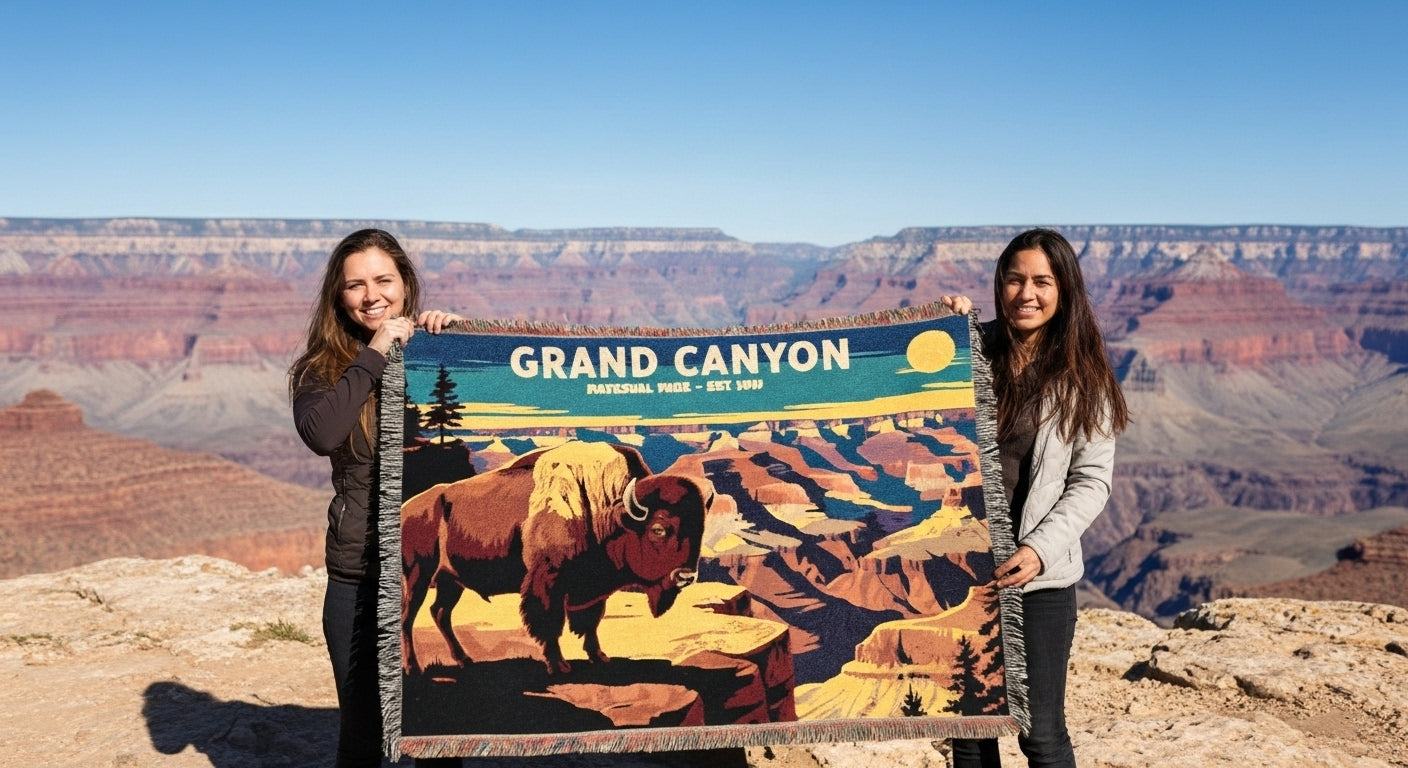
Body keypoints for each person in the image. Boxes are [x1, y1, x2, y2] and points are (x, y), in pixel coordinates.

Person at [941, 228, 1129, 768]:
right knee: (971, 734)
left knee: (1041, 735)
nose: (1027, 293)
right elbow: (902, 370)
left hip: (1040, 578)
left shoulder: (1085, 376)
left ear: (1064, 290)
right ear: (998, 285)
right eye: (1015, 279)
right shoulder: (969, 351)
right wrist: (944, 324)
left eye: (1042, 282)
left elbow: (1092, 481)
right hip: (965, 571)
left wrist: (1041, 550)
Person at [289, 228, 462, 768]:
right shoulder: (321, 368)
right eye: (355, 286)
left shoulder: (435, 353)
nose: (372, 296)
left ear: (405, 283)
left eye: (384, 280)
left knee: (439, 736)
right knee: (363, 737)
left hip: (434, 570)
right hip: (359, 575)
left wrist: (466, 344)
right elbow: (322, 434)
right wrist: (375, 352)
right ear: (336, 296)